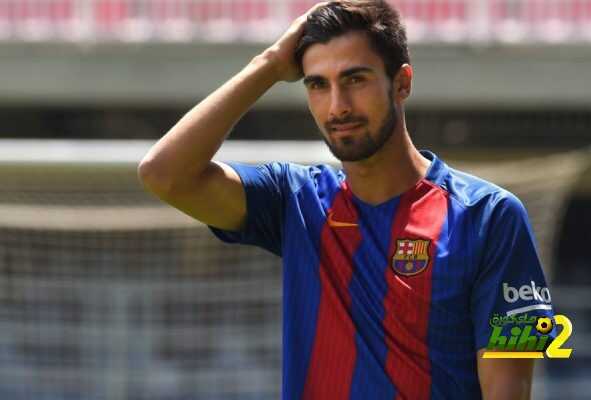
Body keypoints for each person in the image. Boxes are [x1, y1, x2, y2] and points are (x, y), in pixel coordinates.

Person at [138, 1, 556, 398]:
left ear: (402, 83)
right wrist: (267, 66)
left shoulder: (491, 217)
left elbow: (509, 391)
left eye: (355, 79)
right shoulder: (298, 202)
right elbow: (164, 174)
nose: (337, 107)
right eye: (318, 85)